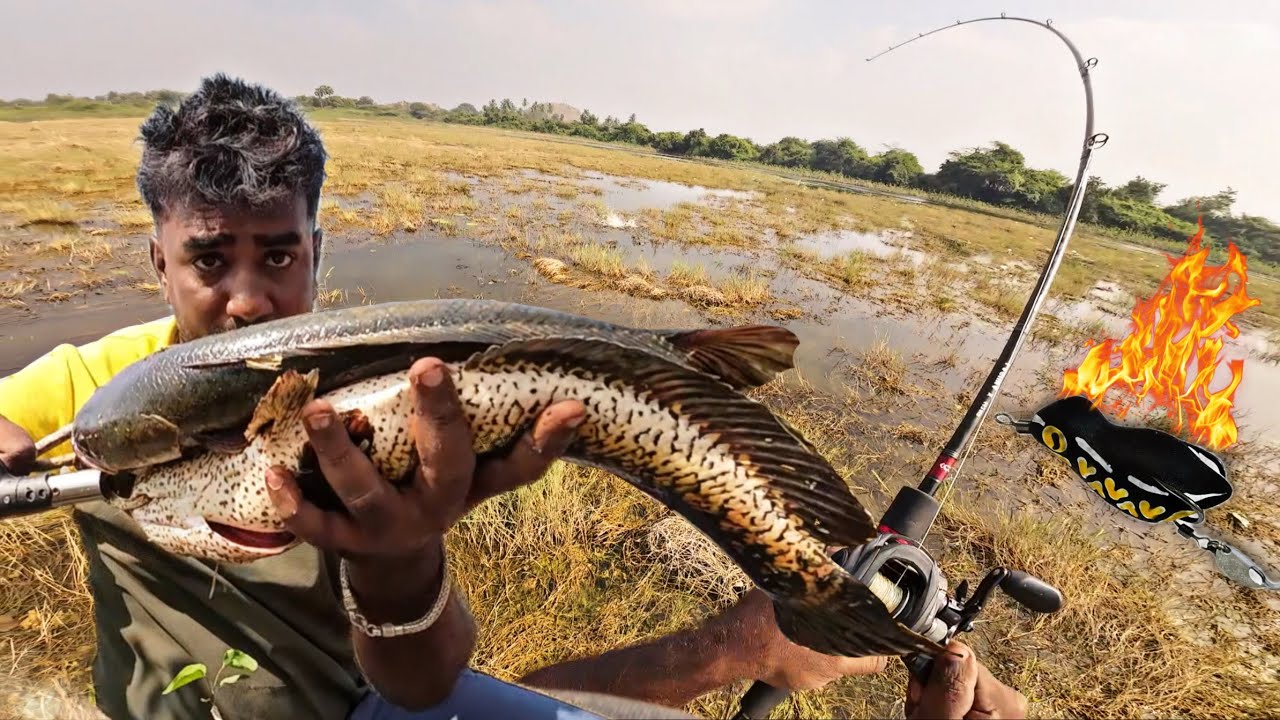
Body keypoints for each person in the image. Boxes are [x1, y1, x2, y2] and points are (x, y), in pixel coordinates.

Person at [0, 74, 1025, 720]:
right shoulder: (95, 378)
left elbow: (417, 682)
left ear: (317, 250)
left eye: (278, 256)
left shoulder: (395, 392)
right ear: (156, 256)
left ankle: (794, 625)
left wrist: (403, 553)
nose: (246, 297)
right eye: (206, 259)